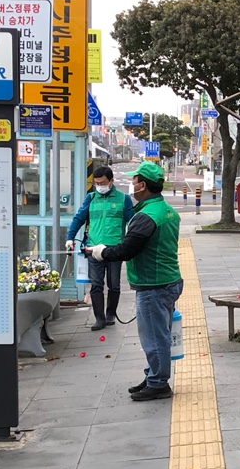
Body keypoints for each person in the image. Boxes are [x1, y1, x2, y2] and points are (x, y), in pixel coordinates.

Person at [84, 160, 183, 401]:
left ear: (143, 186)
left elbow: (127, 250)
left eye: (135, 180)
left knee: (154, 337)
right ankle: (153, 376)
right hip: (167, 280)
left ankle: (159, 383)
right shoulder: (166, 210)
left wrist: (101, 252)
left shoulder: (147, 216)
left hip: (154, 284)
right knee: (158, 333)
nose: (132, 183)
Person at [66, 165, 134, 331]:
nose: (99, 186)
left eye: (103, 182)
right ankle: (99, 318)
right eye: (96, 183)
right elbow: (78, 218)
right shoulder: (90, 198)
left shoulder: (123, 199)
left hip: (115, 249)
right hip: (93, 249)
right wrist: (70, 238)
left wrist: (131, 244)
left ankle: (111, 314)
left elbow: (133, 222)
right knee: (96, 285)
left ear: (111, 181)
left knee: (114, 285)